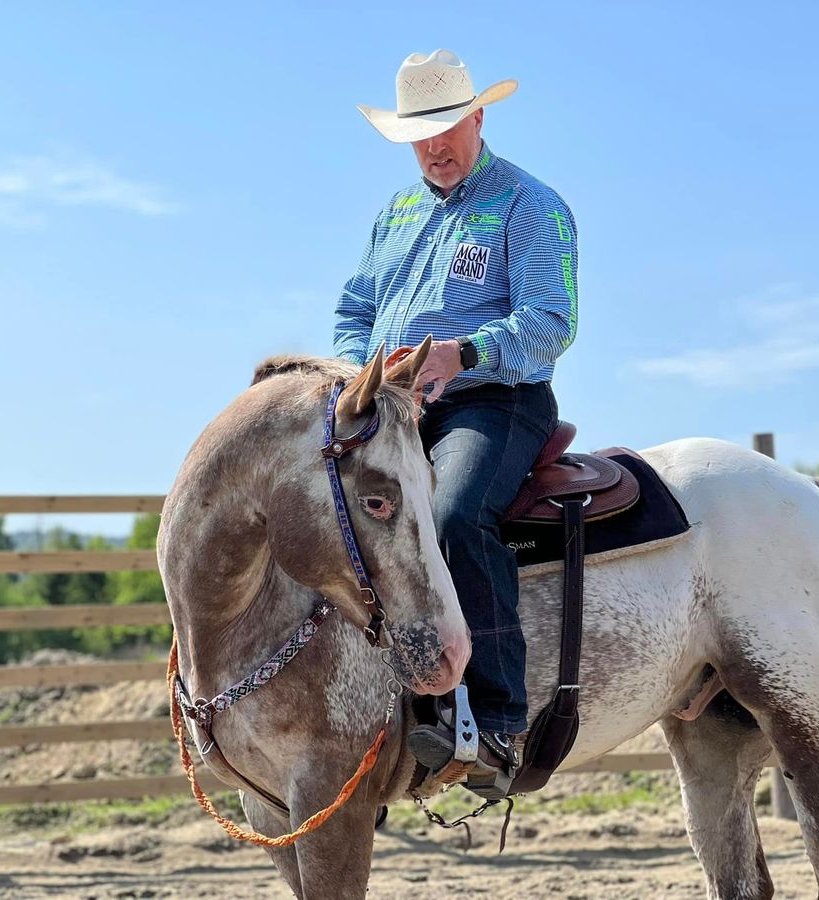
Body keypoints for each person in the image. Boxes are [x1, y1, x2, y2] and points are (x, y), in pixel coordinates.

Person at [333, 50, 579, 799]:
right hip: (390, 410)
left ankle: (500, 724)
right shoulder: (394, 215)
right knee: (323, 520)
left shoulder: (530, 205)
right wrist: (351, 375)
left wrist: (462, 352)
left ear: (479, 117)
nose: (434, 147)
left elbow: (551, 324)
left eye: (447, 128)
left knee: (450, 515)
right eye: (419, 134)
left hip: (493, 401)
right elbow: (355, 309)